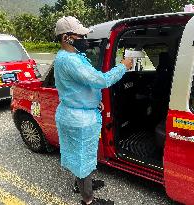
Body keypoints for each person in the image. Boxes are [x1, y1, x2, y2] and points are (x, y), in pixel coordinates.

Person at [54, 16, 132, 205]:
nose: (84, 39)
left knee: (81, 156)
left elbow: (79, 87)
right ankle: (88, 200)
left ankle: (80, 183)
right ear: (67, 38)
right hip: (78, 118)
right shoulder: (69, 61)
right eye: (80, 35)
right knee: (82, 158)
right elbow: (100, 80)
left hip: (79, 112)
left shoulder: (72, 57)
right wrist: (123, 67)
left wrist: (93, 101)